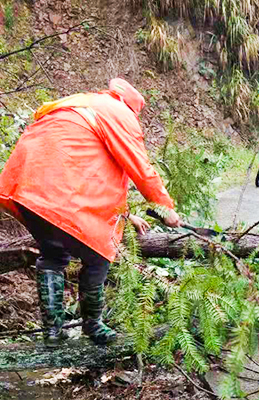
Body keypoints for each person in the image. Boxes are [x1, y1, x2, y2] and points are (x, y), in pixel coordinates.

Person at [0, 78, 181, 346]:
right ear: (132, 108)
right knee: (99, 255)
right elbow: (140, 168)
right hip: (59, 192)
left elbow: (90, 169)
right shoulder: (120, 114)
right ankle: (93, 325)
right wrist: (165, 208)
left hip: (27, 187)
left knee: (53, 252)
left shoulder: (81, 103)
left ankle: (52, 332)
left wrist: (126, 214)